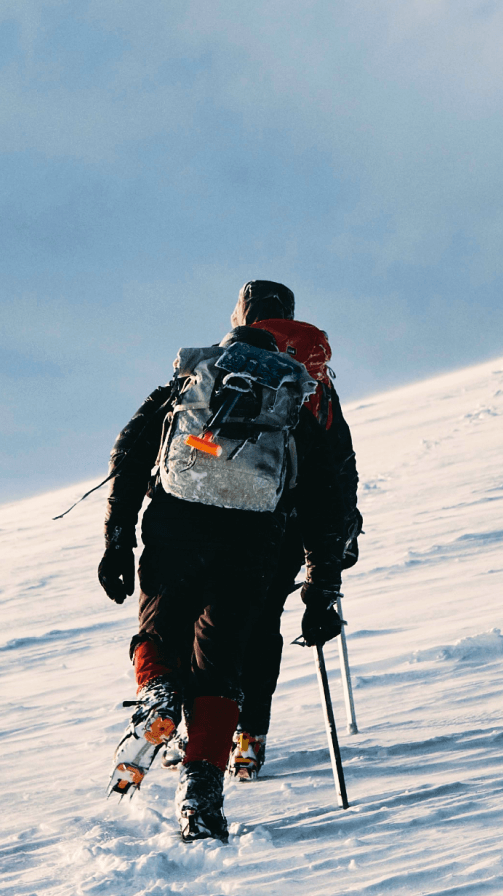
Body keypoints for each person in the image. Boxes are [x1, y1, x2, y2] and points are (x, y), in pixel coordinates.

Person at [97, 319, 348, 843]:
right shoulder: (293, 406)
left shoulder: (188, 386)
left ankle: (158, 692)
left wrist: (117, 539)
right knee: (220, 664)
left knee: (159, 630)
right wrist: (320, 589)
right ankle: (202, 791)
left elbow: (131, 455)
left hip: (175, 527)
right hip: (252, 544)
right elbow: (328, 505)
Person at [227, 282, 361, 782]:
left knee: (212, 623)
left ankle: (199, 729)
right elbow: (338, 458)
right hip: (294, 522)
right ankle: (250, 736)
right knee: (264, 624)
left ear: (242, 314)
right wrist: (343, 530)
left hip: (230, 515)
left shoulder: (227, 362)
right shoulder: (313, 372)